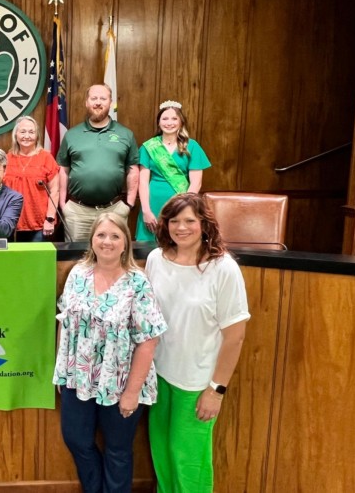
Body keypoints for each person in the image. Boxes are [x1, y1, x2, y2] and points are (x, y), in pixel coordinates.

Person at [53, 212, 167, 493]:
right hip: (77, 379)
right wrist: (62, 370)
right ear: (91, 240)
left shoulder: (137, 282)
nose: (107, 242)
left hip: (121, 383)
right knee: (76, 440)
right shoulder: (77, 274)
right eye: (101, 235)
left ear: (125, 243)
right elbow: (65, 323)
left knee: (118, 451)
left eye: (115, 236)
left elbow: (149, 340)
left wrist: (131, 392)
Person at [146, 193, 249, 492]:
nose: (181, 228)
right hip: (158, 378)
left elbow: (235, 336)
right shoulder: (155, 259)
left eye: (190, 220)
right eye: (174, 221)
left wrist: (216, 390)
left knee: (189, 465)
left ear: (204, 224)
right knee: (163, 459)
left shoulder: (223, 268)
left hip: (196, 384)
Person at [57, 84, 140, 242]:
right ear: (86, 102)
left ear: (111, 103)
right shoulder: (72, 135)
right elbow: (63, 170)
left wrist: (128, 204)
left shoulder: (125, 134)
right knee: (76, 259)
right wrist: (63, 204)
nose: (98, 102)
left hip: (114, 209)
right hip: (77, 212)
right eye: (93, 98)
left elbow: (133, 169)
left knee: (113, 257)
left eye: (103, 98)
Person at [136, 100, 211, 242]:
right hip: (153, 203)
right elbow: (143, 182)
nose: (169, 122)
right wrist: (146, 210)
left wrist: (185, 207)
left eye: (174, 118)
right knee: (149, 249)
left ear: (181, 122)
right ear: (159, 122)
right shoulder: (148, 147)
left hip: (182, 203)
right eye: (165, 118)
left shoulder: (192, 146)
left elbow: (196, 183)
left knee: (179, 245)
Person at [3, 116, 60, 241]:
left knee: (37, 260)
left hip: (39, 224)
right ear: (16, 134)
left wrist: (50, 218)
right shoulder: (7, 159)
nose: (27, 136)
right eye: (22, 132)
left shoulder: (46, 157)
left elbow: (55, 191)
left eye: (31, 132)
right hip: (10, 223)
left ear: (37, 136)